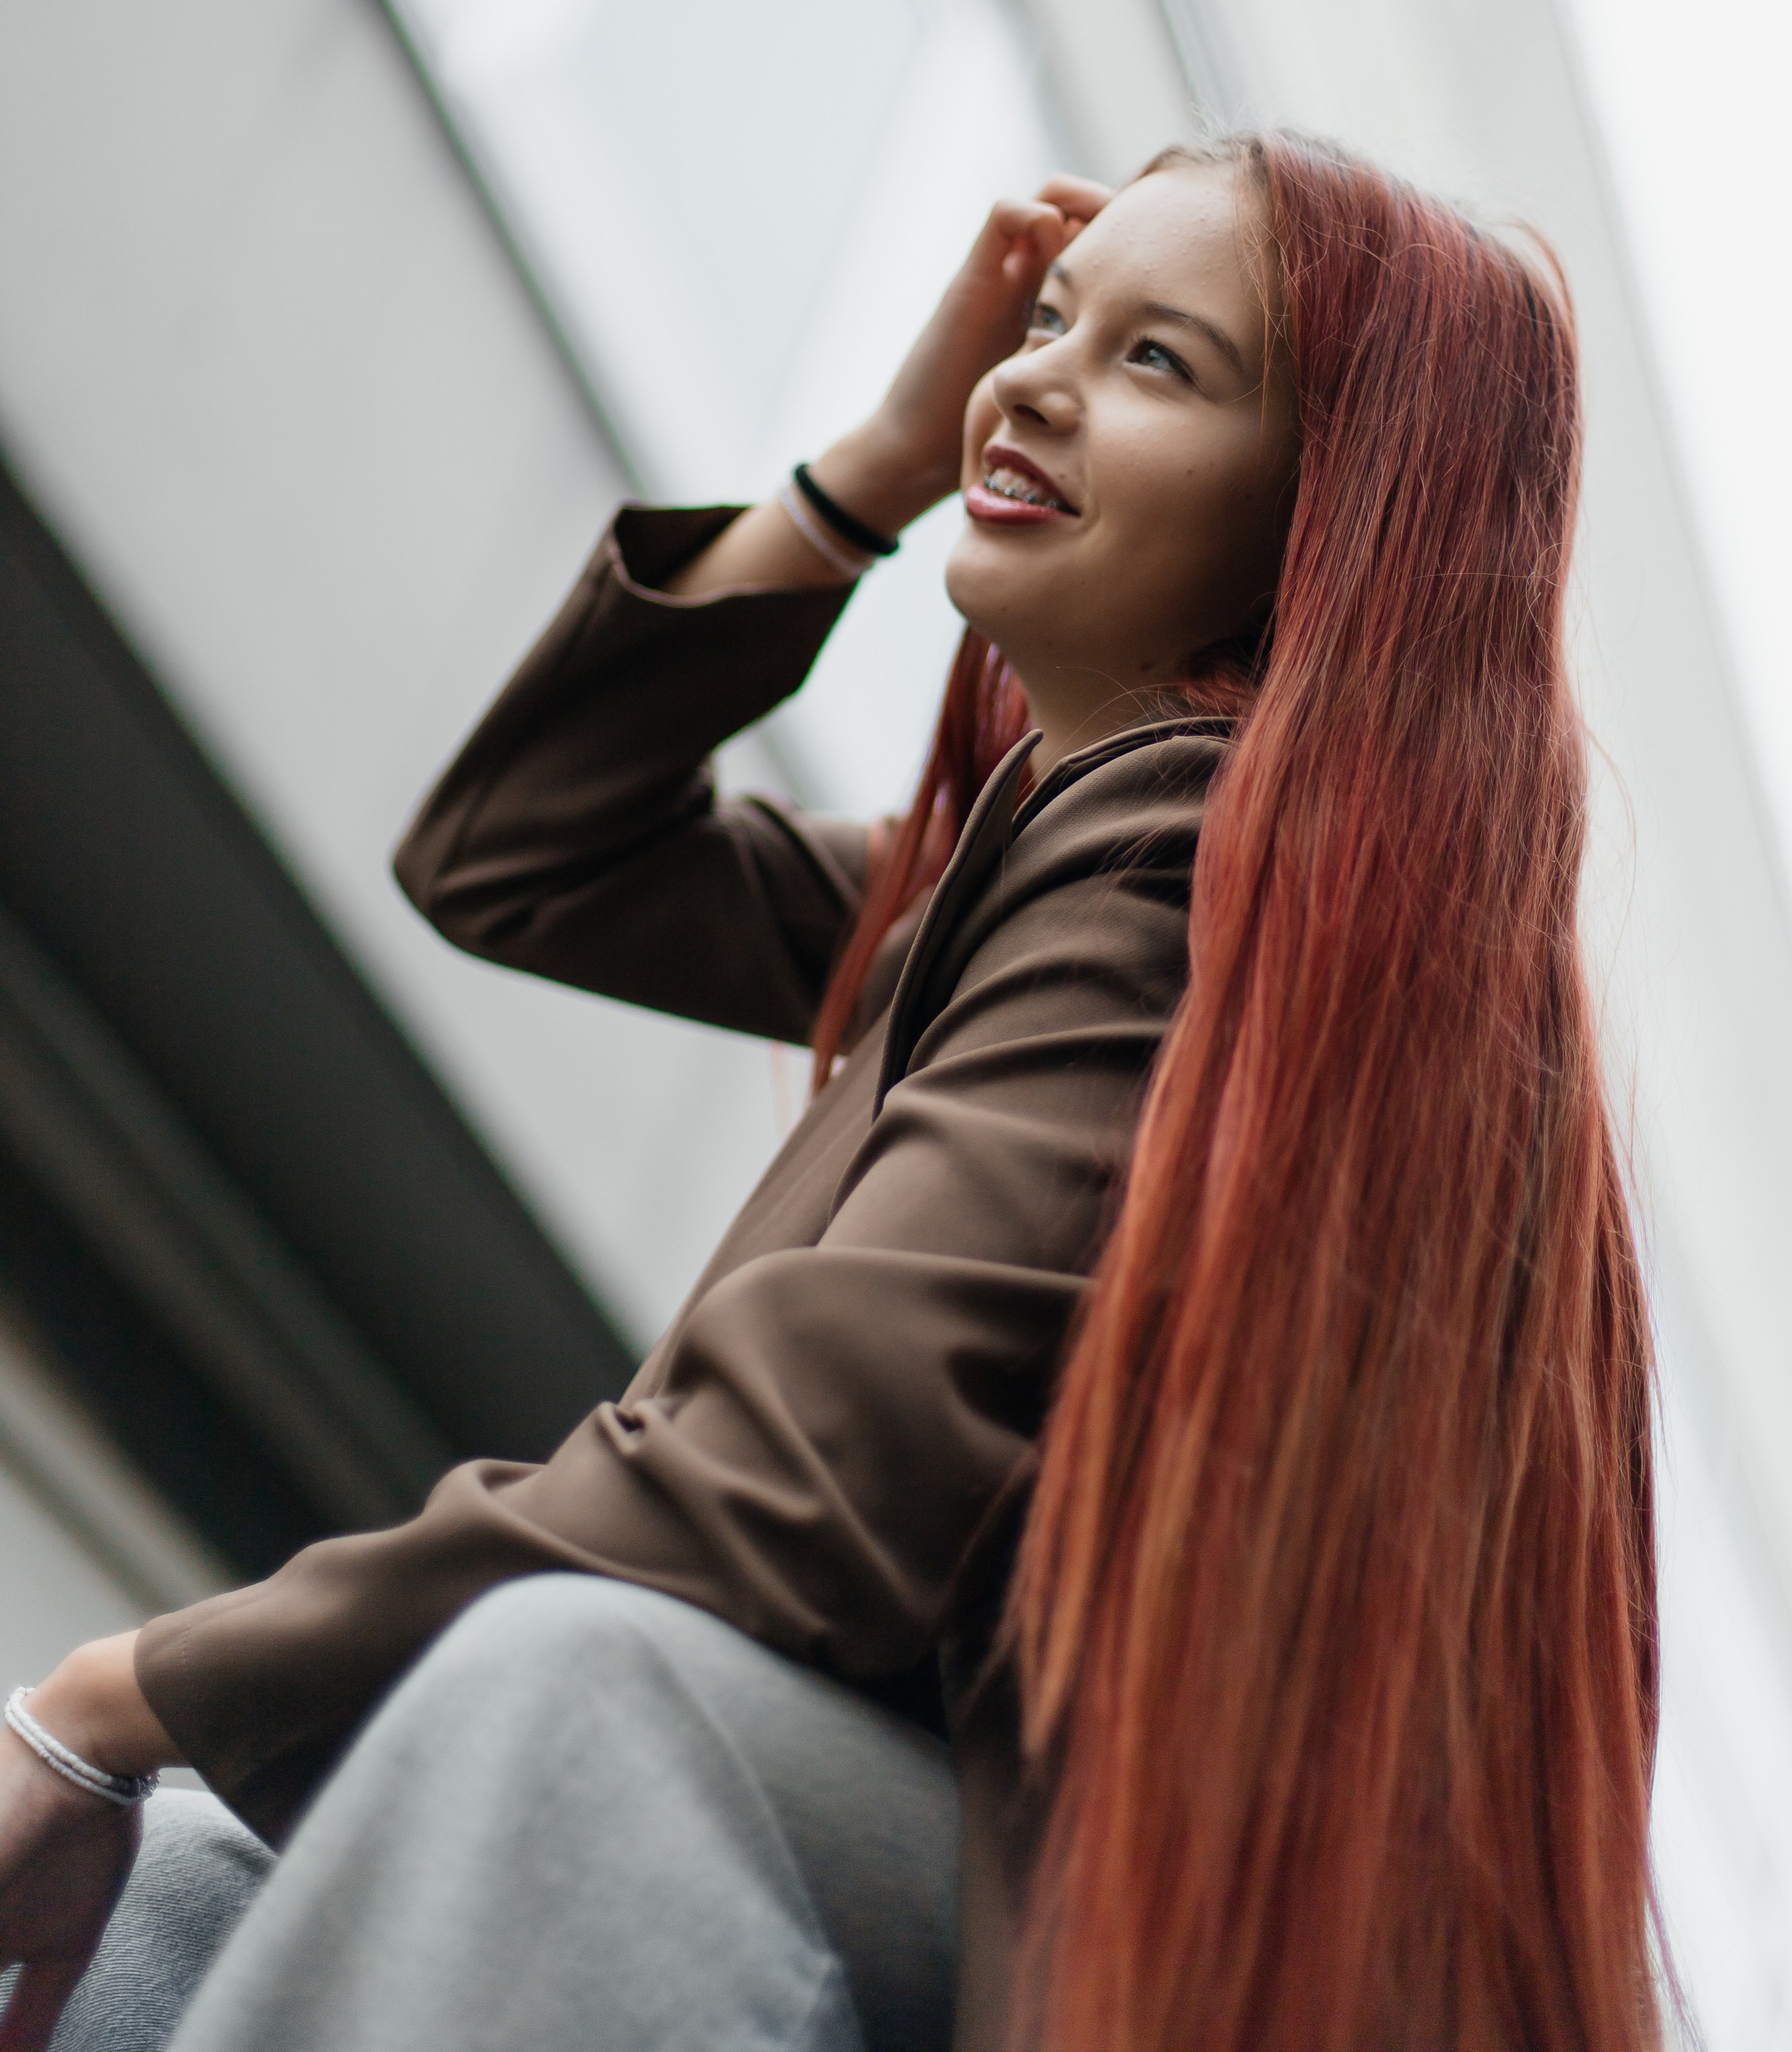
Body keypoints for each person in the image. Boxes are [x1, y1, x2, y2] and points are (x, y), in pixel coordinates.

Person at [0, 135, 1665, 2052]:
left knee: (558, 1698)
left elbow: (786, 1488)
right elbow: (521, 854)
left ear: (1332, 522)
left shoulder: (1195, 884)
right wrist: (877, 460)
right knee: (188, 1889)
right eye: (1046, 321)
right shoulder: (1013, 885)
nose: (1033, 377)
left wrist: (110, 1702)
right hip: (956, 1891)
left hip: (1113, 1970)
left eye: (1159, 362)